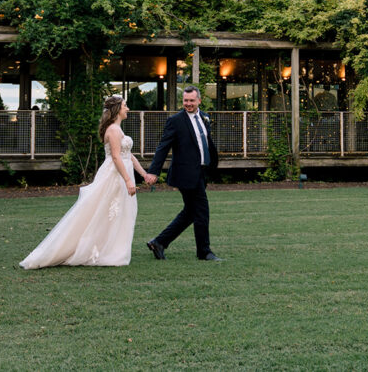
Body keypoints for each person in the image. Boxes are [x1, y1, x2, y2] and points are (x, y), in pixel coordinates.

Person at [20, 95, 147, 268]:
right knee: (103, 213)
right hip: (114, 176)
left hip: (122, 174)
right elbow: (116, 157)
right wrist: (127, 180)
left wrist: (144, 174)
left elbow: (128, 156)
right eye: (125, 106)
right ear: (117, 109)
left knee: (118, 214)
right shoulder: (113, 130)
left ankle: (111, 249)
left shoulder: (118, 129)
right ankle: (98, 250)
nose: (128, 109)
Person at [143, 85, 221, 261]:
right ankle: (204, 252)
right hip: (185, 174)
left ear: (199, 100)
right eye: (185, 100)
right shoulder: (175, 120)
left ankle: (159, 242)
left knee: (191, 212)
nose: (188, 104)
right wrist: (154, 171)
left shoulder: (205, 117)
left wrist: (211, 166)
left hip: (201, 172)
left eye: (192, 100)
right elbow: (163, 147)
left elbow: (205, 143)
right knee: (201, 211)